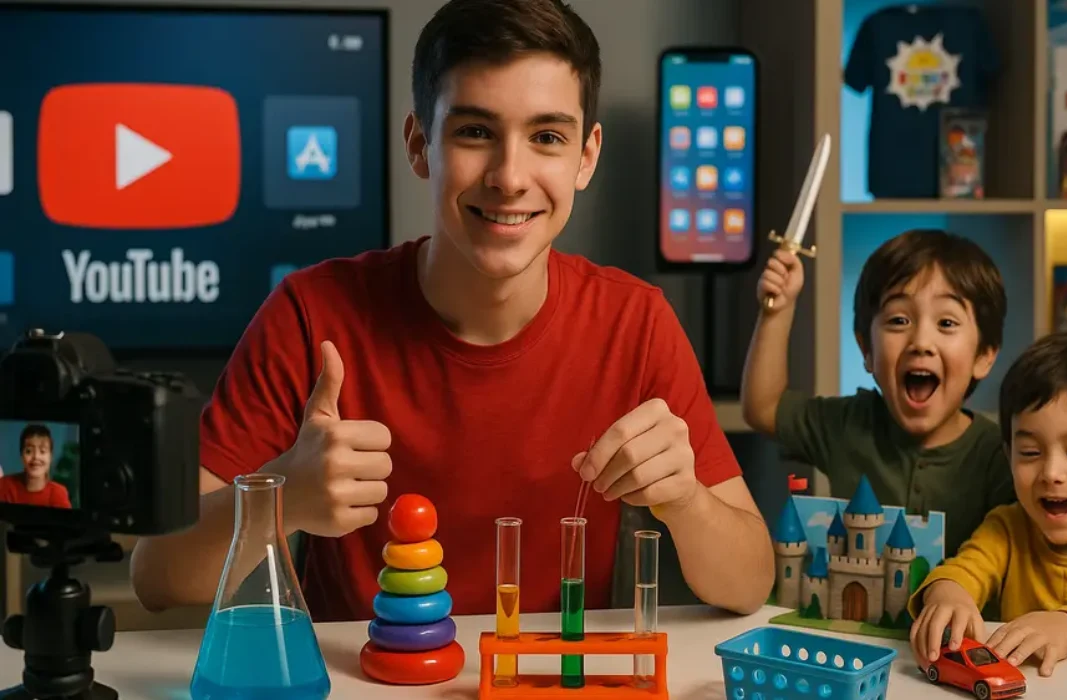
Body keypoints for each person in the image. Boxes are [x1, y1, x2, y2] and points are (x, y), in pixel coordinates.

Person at [129, 0, 773, 621]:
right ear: (418, 144)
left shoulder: (636, 323)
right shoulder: (310, 313)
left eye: (547, 136)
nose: (509, 176)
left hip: (547, 679)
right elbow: (157, 575)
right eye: (474, 132)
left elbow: (750, 584)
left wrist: (686, 500)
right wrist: (283, 498)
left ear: (586, 157)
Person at [741, 229, 1014, 555]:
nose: (921, 343)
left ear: (984, 356)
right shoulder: (847, 424)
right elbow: (764, 408)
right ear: (866, 349)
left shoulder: (1002, 458)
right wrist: (777, 311)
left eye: (946, 323)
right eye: (899, 320)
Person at [908, 331, 1067, 677]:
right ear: (1009, 455)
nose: (1050, 473)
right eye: (1030, 453)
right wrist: (948, 596)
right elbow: (963, 569)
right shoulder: (1006, 528)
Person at [0, 424, 71, 509]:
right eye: (29, 451)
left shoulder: (59, 493)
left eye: (42, 451)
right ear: (22, 456)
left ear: (51, 457)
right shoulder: (5, 485)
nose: (36, 457)